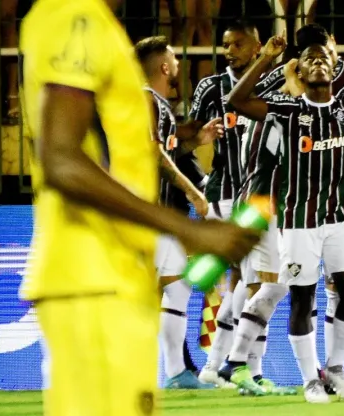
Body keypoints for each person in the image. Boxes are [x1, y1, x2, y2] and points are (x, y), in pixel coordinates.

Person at [18, 1, 260, 415]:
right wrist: (189, 229)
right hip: (92, 277)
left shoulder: (99, 26)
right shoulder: (74, 18)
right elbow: (60, 158)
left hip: (116, 277)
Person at [227, 28, 344, 403]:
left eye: (323, 58)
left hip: (341, 217)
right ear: (300, 70)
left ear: (335, 68)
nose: (317, 62)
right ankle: (309, 379)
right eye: (309, 59)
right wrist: (266, 57)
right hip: (299, 221)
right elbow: (237, 100)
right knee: (302, 299)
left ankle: (335, 368)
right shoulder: (288, 109)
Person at [222, 23, 344, 397]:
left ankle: (237, 362)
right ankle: (239, 362)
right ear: (300, 64)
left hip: (264, 198)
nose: (326, 62)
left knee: (273, 285)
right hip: (271, 201)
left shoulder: (288, 86)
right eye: (318, 54)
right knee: (279, 286)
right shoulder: (289, 96)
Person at [181, 19, 285, 388]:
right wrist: (201, 181)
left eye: (238, 44)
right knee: (253, 281)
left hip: (259, 194)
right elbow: (187, 137)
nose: (229, 51)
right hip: (226, 191)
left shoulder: (275, 84)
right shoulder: (211, 86)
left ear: (257, 47)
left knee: (245, 280)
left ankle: (217, 366)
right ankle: (246, 369)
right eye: (226, 45)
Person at [135, 35, 220, 390]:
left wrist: (194, 143)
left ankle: (175, 374)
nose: (178, 64)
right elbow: (153, 153)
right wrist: (193, 191)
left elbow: (166, 149)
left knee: (178, 288)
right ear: (164, 66)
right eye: (174, 57)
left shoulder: (157, 103)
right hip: (142, 213)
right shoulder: (143, 99)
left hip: (158, 215)